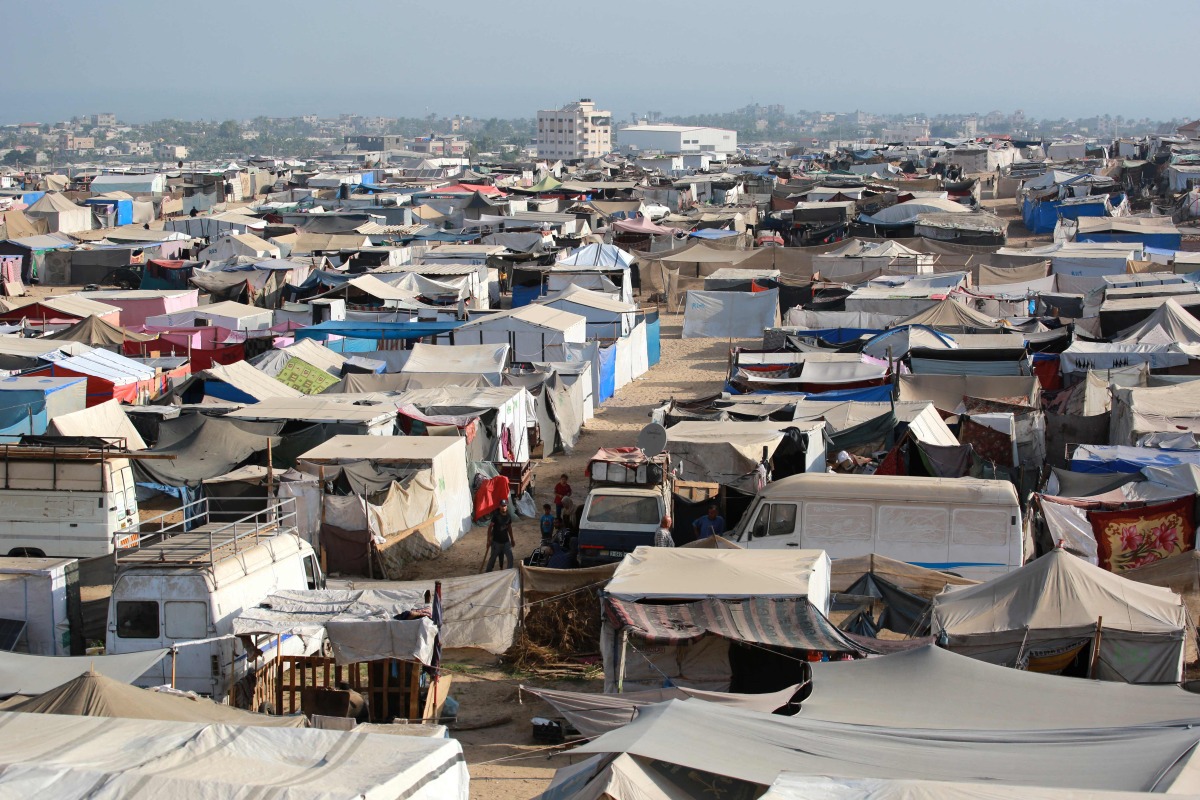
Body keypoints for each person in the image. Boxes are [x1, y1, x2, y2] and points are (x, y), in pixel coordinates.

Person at [486, 499, 514, 572]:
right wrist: (488, 540)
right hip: (496, 542)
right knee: (492, 559)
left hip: (506, 542)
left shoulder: (508, 516)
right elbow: (490, 528)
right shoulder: (496, 516)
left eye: (505, 506)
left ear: (507, 506)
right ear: (499, 506)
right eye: (502, 506)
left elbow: (509, 528)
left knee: (510, 558)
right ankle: (487, 573)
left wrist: (512, 539)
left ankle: (509, 573)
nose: (503, 507)